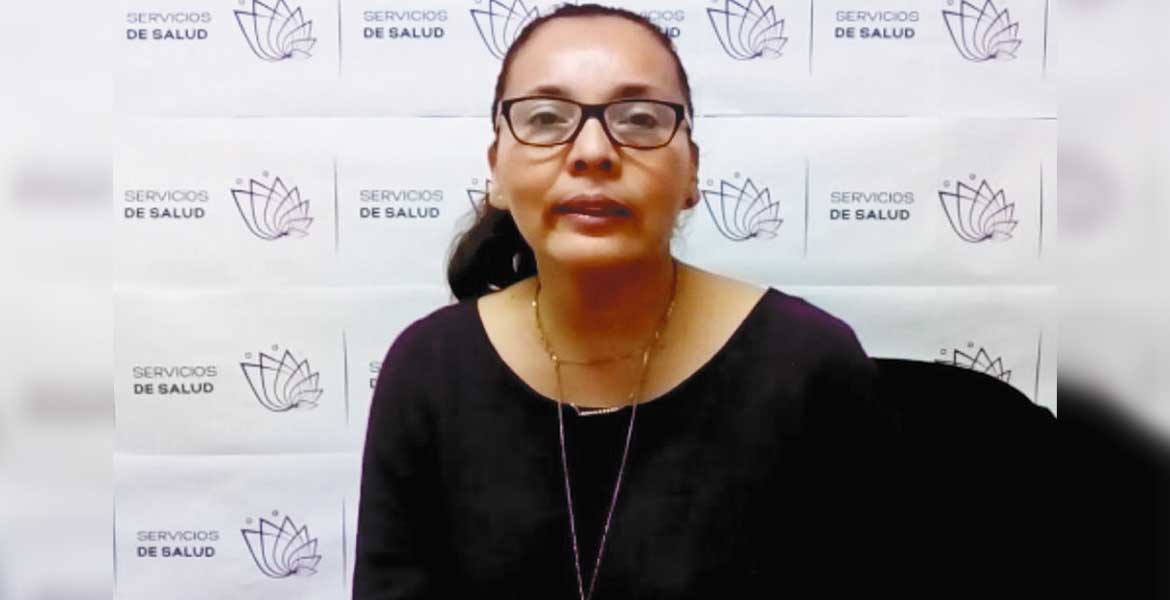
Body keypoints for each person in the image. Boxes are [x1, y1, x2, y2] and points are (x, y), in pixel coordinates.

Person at [353, 5, 898, 599]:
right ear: (497, 172)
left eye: (639, 120)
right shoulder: (429, 367)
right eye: (546, 118)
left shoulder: (807, 363)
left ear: (691, 173)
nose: (593, 151)